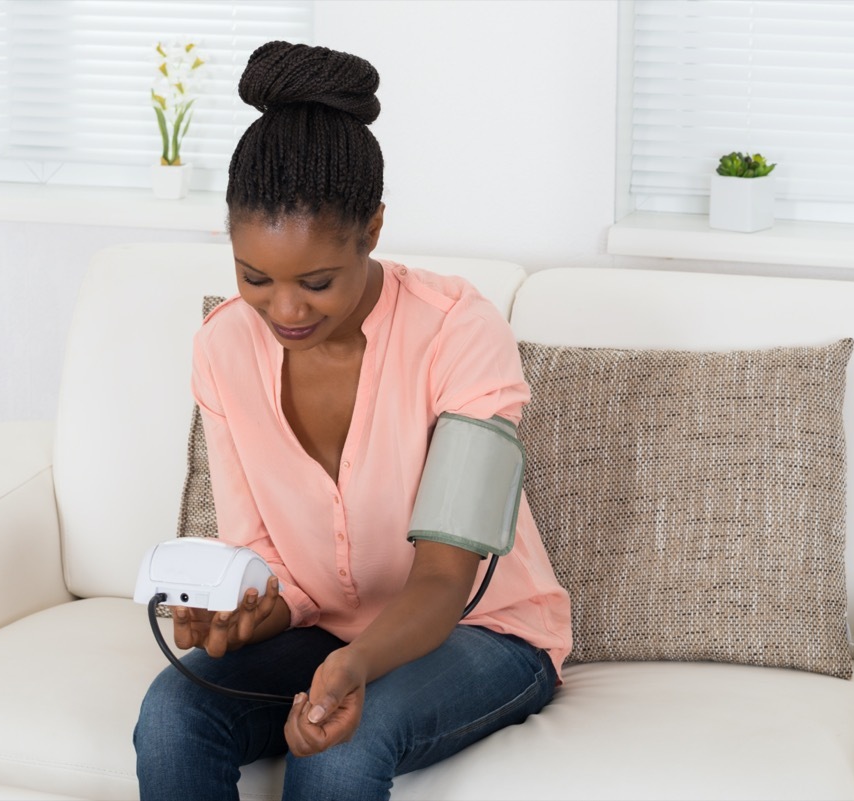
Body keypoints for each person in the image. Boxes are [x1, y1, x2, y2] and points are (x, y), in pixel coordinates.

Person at [133, 40, 572, 801]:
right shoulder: (222, 347)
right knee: (175, 714)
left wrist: (357, 664)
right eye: (254, 277)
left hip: (483, 632)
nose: (284, 310)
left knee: (340, 749)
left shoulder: (459, 331)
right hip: (324, 634)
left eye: (316, 282)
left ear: (372, 228)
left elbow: (446, 578)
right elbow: (262, 553)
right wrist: (249, 614)